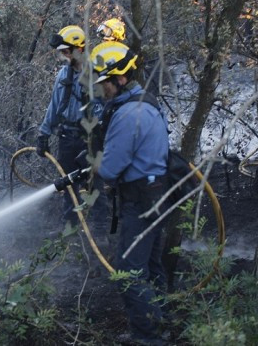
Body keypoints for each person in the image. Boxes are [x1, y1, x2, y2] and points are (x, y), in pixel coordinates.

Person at [89, 40, 169, 345]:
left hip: (140, 202)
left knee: (128, 272)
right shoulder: (147, 102)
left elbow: (110, 169)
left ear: (120, 78)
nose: (102, 89)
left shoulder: (126, 115)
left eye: (105, 82)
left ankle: (148, 337)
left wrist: (96, 166)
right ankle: (159, 322)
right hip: (157, 194)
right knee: (150, 266)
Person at [36, 25, 105, 228]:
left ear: (79, 49)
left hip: (90, 140)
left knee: (95, 184)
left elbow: (105, 108)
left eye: (66, 51)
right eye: (62, 52)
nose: (64, 56)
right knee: (67, 185)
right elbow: (54, 107)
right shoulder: (63, 76)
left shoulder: (97, 74)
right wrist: (44, 134)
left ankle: (100, 230)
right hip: (67, 138)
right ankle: (70, 228)